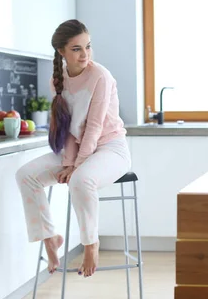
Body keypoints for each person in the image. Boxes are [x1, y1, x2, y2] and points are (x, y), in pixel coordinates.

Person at [15, 19, 130, 278]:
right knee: (25, 175)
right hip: (78, 150)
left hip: (111, 148)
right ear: (62, 52)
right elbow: (66, 128)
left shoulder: (100, 76)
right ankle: (49, 237)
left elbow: (95, 126)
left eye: (88, 47)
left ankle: (91, 244)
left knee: (80, 181)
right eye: (77, 49)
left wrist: (75, 166)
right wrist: (68, 162)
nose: (85, 55)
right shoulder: (58, 81)